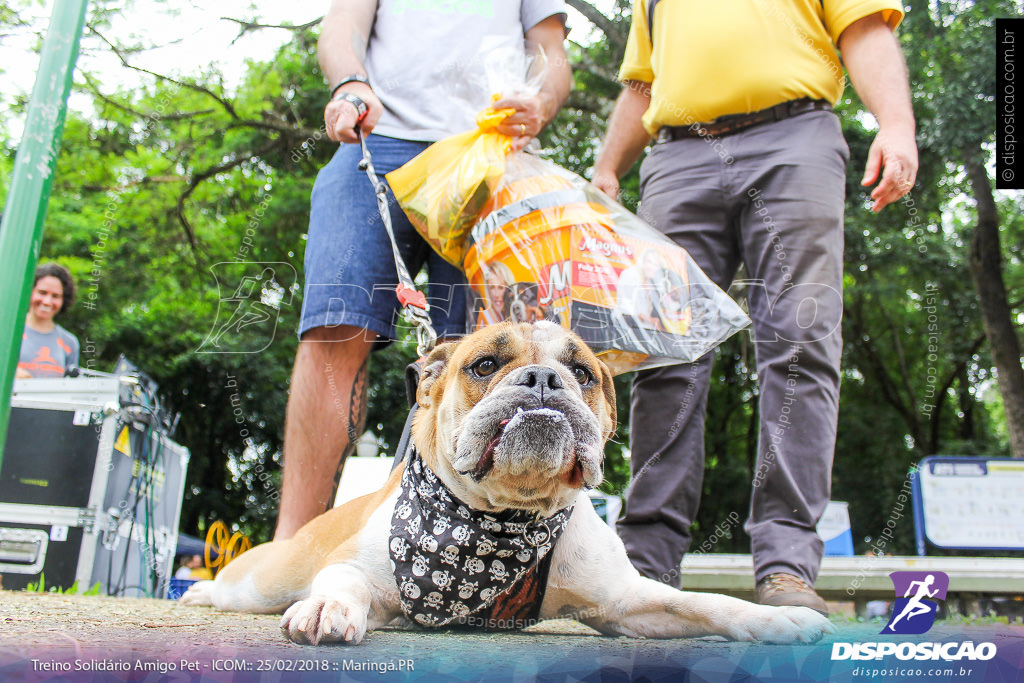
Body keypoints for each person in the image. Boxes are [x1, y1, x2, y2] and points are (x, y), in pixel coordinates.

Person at [592, 1, 918, 614]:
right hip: (677, 157)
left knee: (801, 346)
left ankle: (787, 565)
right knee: (664, 354)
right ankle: (645, 565)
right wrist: (608, 168)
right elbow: (642, 82)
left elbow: (863, 29)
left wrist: (895, 125)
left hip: (794, 138)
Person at [274, 0, 571, 540]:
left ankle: (450, 546)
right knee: (335, 330)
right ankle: (293, 544)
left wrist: (540, 103)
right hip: (378, 141)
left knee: (483, 351)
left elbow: (551, 54)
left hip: (491, 151)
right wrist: (350, 84)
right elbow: (343, 25)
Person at [17, 263, 80, 379]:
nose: (47, 301)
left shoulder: (69, 342)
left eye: (55, 296)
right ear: (30, 291)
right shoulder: (9, 331)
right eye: (42, 293)